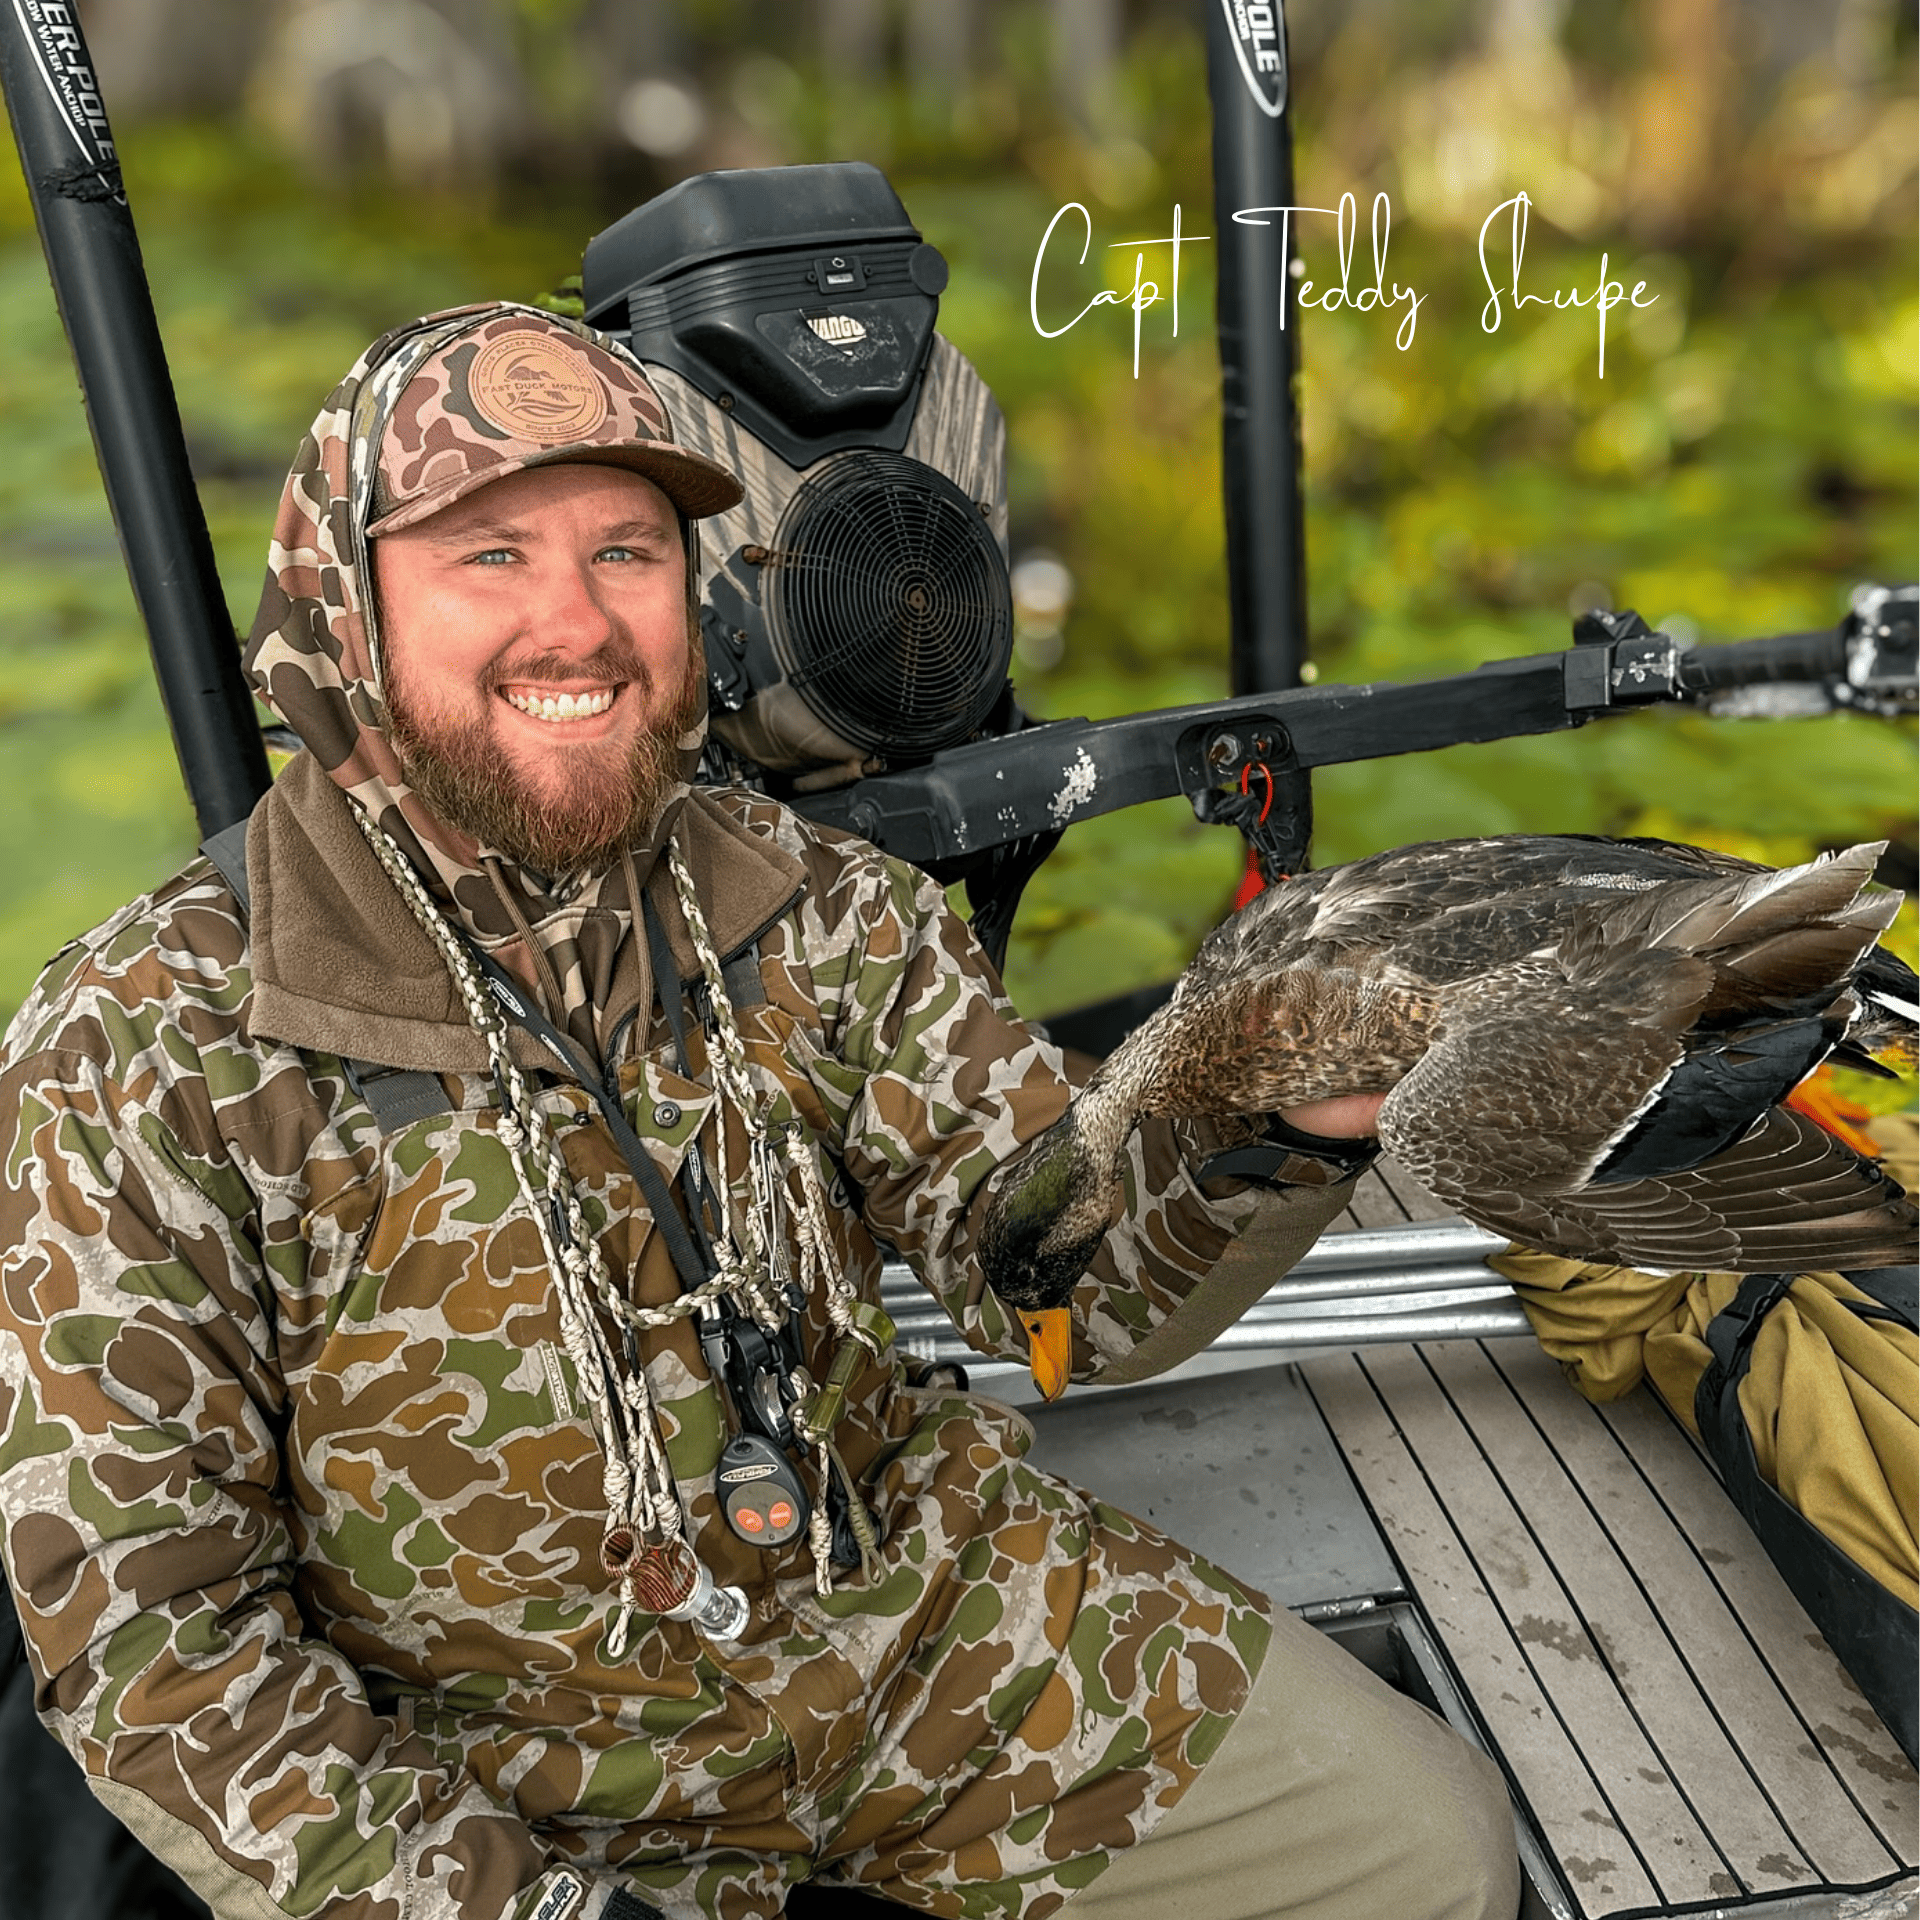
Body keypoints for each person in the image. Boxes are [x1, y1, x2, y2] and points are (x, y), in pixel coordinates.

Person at [0, 303, 1518, 1920]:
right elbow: (161, 1647)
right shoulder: (136, 1044)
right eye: (491, 556)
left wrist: (1278, 1115)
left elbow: (1068, 1277)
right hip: (492, 1770)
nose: (576, 625)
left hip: (915, 1629)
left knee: (1420, 1846)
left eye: (630, 553)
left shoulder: (824, 905)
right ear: (344, 609)